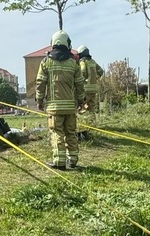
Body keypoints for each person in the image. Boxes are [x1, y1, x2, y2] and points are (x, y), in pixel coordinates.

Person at [36, 30, 85, 170]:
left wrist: (39, 100)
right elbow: (80, 84)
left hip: (54, 107)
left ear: (53, 44)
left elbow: (40, 82)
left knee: (57, 133)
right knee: (71, 132)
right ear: (67, 44)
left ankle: (59, 161)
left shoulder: (46, 62)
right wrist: (81, 101)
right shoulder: (74, 63)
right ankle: (73, 160)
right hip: (70, 107)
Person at [76, 45, 104, 116]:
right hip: (94, 89)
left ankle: (80, 122)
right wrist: (95, 78)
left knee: (79, 105)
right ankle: (92, 122)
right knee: (92, 108)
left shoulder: (82, 62)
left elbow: (82, 70)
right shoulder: (93, 62)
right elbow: (101, 71)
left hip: (85, 89)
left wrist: (81, 80)